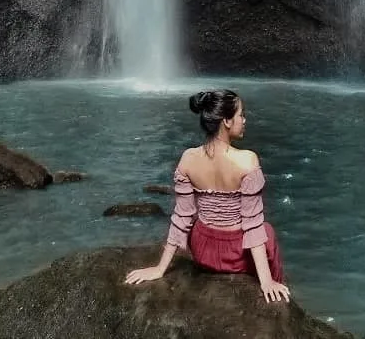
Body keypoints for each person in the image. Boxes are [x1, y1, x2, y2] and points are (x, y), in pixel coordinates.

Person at [124, 88, 290, 303]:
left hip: (203, 251)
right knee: (267, 231)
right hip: (235, 256)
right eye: (241, 114)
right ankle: (280, 290)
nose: (244, 120)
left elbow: (181, 217)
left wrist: (160, 268)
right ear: (227, 121)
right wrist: (266, 281)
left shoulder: (188, 158)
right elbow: (253, 224)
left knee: (195, 222)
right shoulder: (248, 160)